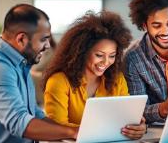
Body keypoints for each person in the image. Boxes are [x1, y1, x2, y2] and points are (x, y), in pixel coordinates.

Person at [43, 11, 146, 139]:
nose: (106, 62)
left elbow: (127, 118)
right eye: (99, 55)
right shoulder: (59, 81)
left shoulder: (117, 80)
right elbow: (56, 126)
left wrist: (138, 127)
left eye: (112, 56)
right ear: (82, 52)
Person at [0, 4, 77, 142]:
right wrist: (72, 132)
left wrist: (75, 132)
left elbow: (35, 114)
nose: (47, 46)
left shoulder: (21, 63)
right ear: (21, 39)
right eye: (43, 39)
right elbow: (18, 122)